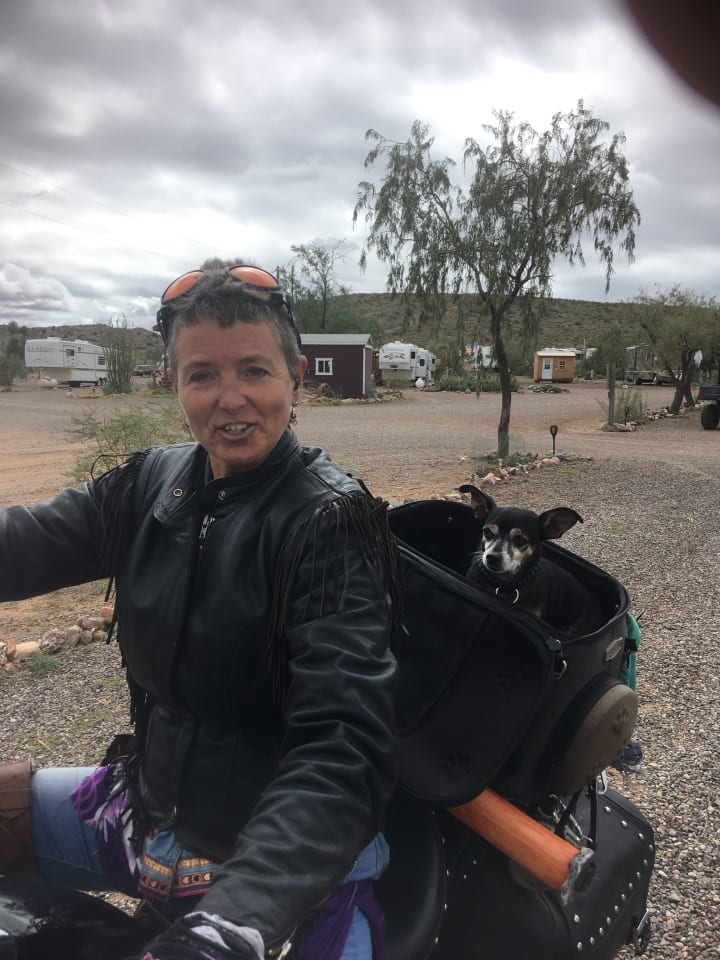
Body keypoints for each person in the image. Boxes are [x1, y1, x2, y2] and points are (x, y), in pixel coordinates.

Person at [0, 262, 401, 960]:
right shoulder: (151, 484)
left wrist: (233, 925)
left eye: (254, 370)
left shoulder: (330, 523)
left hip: (280, 872)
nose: (230, 399)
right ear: (173, 381)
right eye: (202, 375)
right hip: (146, 815)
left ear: (296, 375)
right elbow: (28, 542)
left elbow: (342, 747)